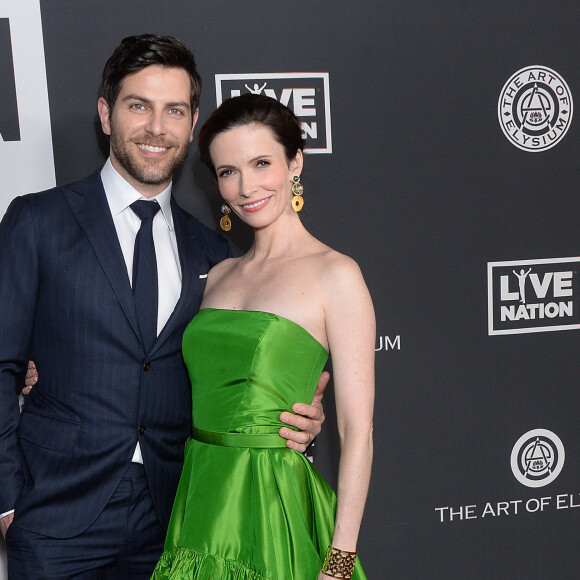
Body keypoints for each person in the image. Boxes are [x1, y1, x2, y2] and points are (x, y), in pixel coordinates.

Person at [0, 35, 326, 579]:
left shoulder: (215, 252)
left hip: (178, 519)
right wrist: (8, 500)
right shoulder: (38, 223)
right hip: (56, 516)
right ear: (106, 114)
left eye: (174, 110)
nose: (157, 127)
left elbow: (233, 376)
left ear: (192, 122)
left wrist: (288, 415)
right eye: (138, 106)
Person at [152, 93, 375, 580]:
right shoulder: (216, 275)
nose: (245, 186)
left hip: (272, 510)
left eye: (261, 163)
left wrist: (339, 561)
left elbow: (356, 431)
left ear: (295, 162)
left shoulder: (336, 275)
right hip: (200, 504)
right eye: (228, 171)